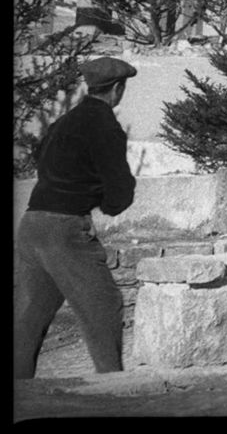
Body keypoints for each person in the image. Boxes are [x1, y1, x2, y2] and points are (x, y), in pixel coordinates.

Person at [15, 56, 140, 379]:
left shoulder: (65, 121)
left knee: (28, 318)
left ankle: (21, 393)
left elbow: (41, 159)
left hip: (31, 225)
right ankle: (110, 393)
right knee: (103, 306)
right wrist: (107, 202)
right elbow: (119, 191)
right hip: (65, 230)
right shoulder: (105, 126)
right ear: (117, 89)